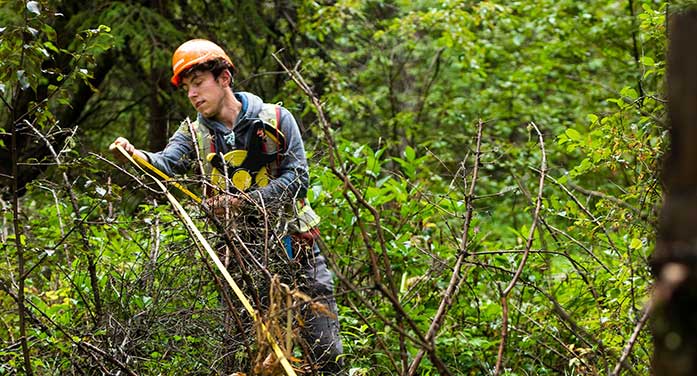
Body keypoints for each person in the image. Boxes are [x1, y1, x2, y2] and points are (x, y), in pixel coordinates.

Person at [111, 39, 343, 373]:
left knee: (325, 354)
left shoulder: (277, 118)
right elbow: (166, 164)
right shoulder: (193, 133)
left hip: (298, 252)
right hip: (241, 263)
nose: (192, 94)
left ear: (224, 79)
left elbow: (297, 180)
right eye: (187, 88)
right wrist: (135, 155)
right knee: (252, 360)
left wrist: (242, 202)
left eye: (199, 83)